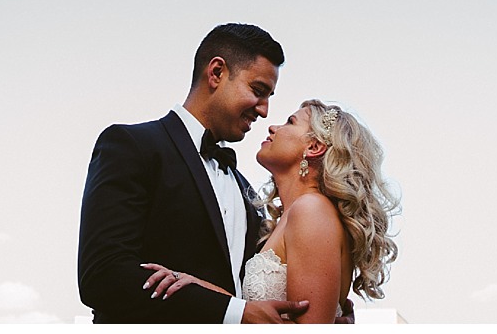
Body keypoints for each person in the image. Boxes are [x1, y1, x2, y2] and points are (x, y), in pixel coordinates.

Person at [78, 23, 308, 323]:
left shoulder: (245, 189)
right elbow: (103, 276)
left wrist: (326, 314)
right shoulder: (132, 146)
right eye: (258, 90)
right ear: (216, 73)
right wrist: (234, 314)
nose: (264, 110)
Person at [142, 99, 401, 323]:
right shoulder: (292, 216)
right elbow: (261, 315)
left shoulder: (311, 210)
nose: (273, 127)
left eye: (289, 122)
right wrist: (197, 286)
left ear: (314, 147)